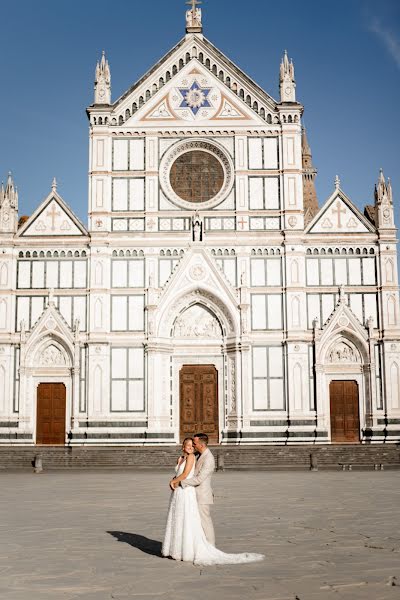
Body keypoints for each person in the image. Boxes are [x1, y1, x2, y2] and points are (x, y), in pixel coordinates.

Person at [162, 434, 264, 566]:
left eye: (194, 443)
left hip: (201, 495)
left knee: (205, 523)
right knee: (191, 523)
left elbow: (199, 479)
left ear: (201, 444)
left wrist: (179, 483)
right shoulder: (198, 455)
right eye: (191, 443)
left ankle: (210, 548)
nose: (193, 445)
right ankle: (188, 547)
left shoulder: (209, 458)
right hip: (191, 494)